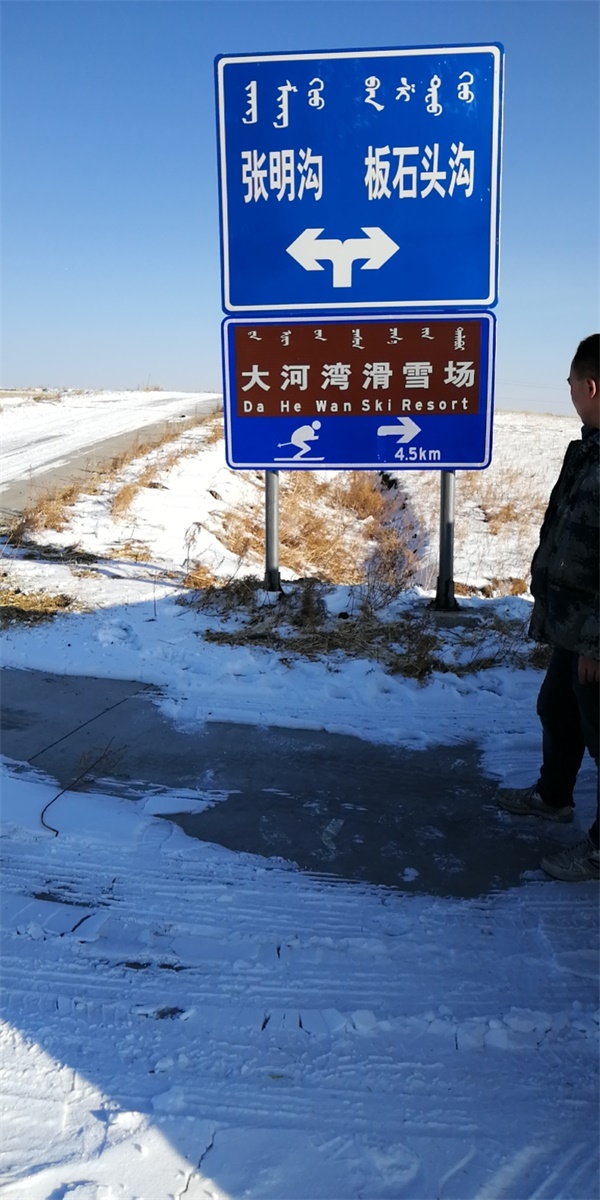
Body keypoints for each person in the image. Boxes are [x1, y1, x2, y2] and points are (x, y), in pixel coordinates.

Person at [498, 334, 599, 882]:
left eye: (570, 383)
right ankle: (554, 796)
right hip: (571, 621)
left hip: (593, 631)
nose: (569, 392)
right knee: (557, 708)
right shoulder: (586, 449)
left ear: (590, 386)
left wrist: (595, 643)